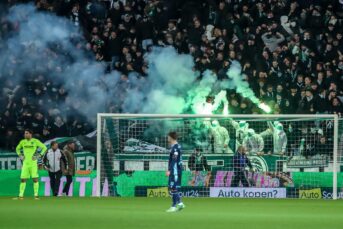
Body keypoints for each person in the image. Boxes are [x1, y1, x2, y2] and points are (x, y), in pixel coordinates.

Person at [15, 129, 47, 199]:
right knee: (23, 179)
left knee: (35, 179)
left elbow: (44, 148)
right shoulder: (22, 142)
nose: (25, 135)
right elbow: (17, 149)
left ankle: (36, 195)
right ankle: (20, 195)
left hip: (33, 163)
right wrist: (20, 155)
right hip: (25, 163)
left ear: (30, 134)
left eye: (26, 133)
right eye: (25, 133)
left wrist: (39, 156)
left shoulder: (35, 141)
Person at [166, 131, 185, 213]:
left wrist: (169, 170)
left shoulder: (175, 148)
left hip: (175, 171)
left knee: (173, 187)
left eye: (168, 137)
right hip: (177, 170)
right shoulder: (177, 146)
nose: (167, 138)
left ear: (171, 137)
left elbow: (174, 160)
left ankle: (174, 206)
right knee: (174, 188)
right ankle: (180, 203)